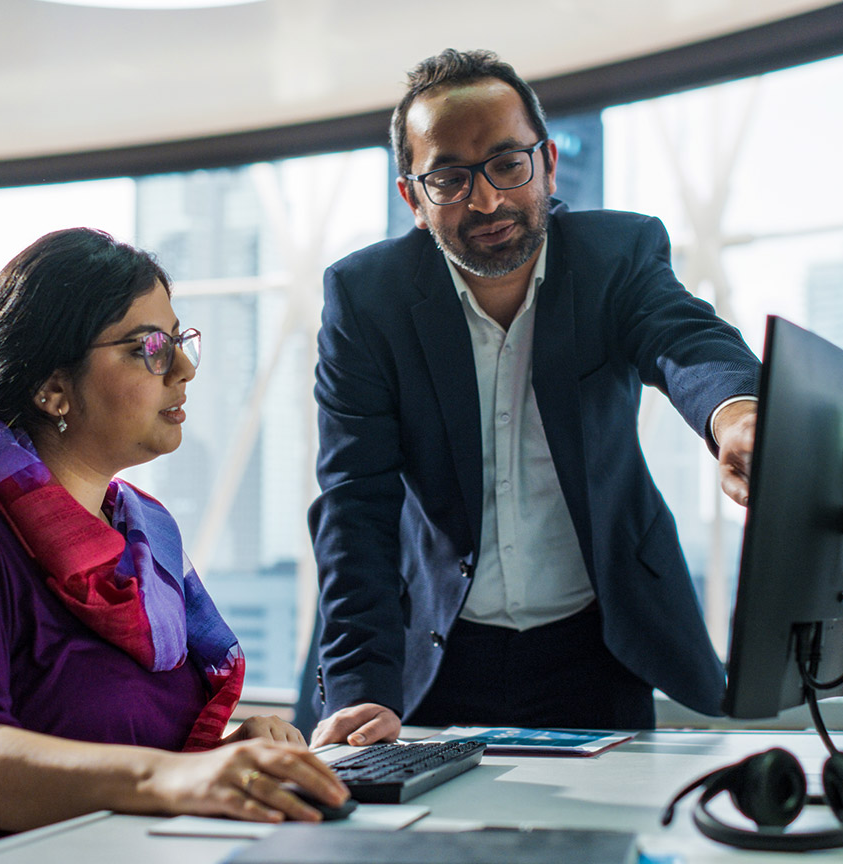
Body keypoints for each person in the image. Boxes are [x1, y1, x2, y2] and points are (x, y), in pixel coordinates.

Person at [0, 228, 348, 861]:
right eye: (147, 347)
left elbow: (124, 741)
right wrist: (168, 778)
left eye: (177, 340)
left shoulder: (140, 533)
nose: (182, 368)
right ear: (52, 388)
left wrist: (225, 756)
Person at [307, 49, 762, 748]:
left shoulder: (615, 255)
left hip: (599, 645)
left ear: (547, 162)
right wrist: (362, 688)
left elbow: (683, 336)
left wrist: (735, 413)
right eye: (449, 179)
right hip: (437, 650)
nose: (485, 200)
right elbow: (354, 506)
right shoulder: (369, 300)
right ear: (414, 199)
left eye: (506, 164)